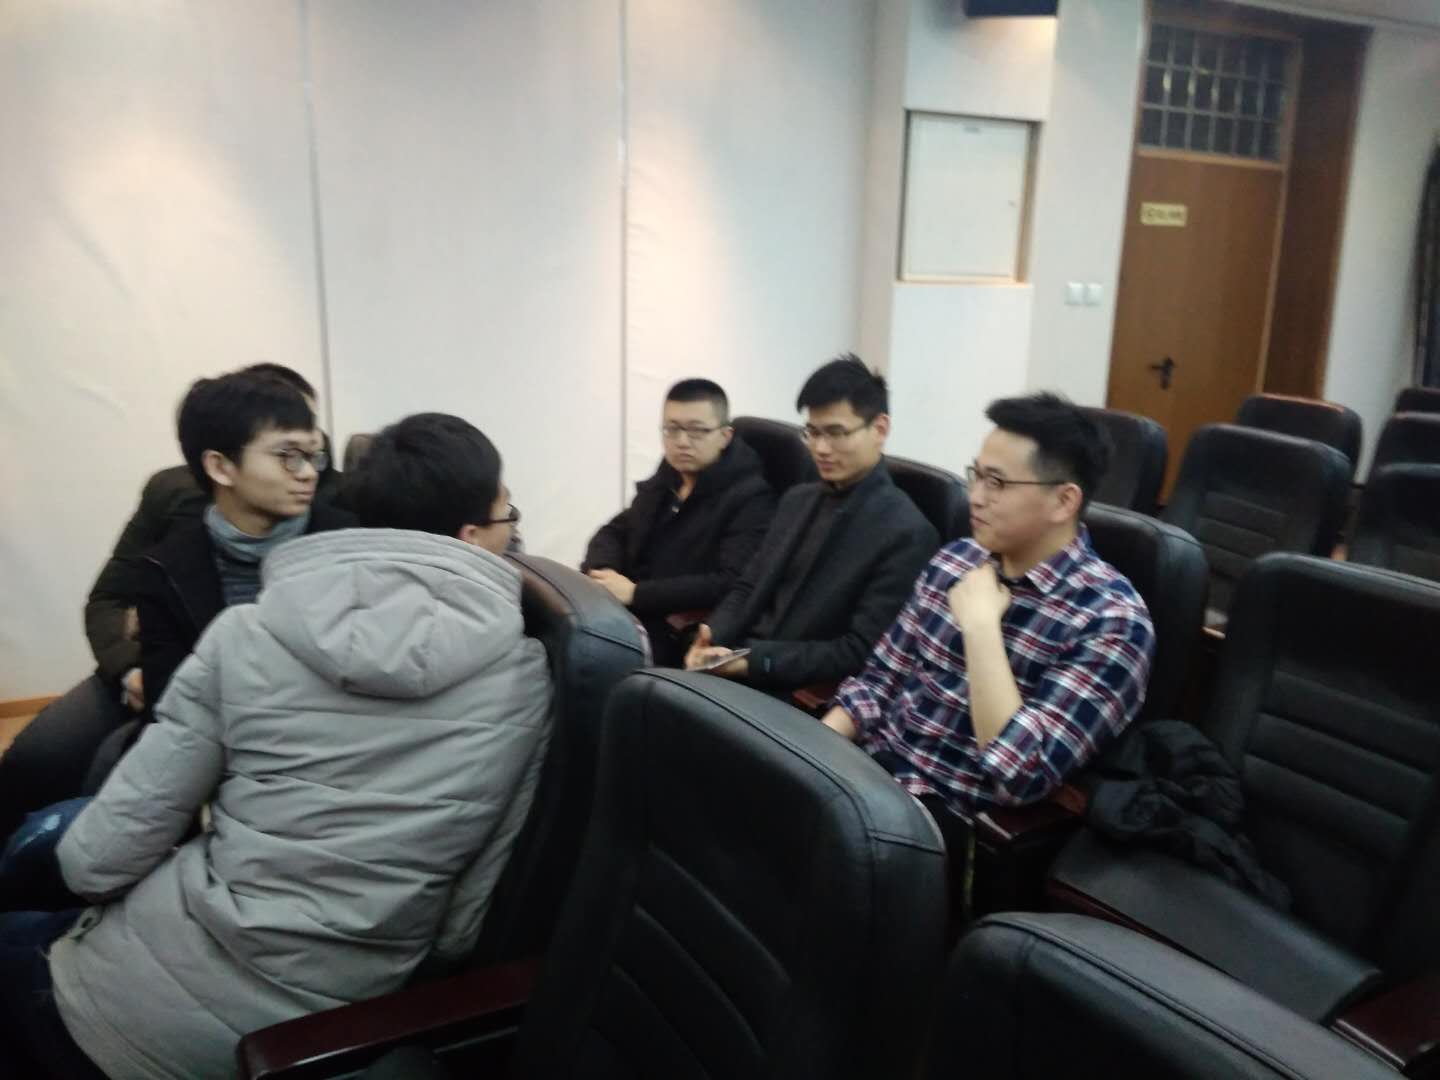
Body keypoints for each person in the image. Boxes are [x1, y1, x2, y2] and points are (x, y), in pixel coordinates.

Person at [0, 412, 553, 1079]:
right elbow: (462, 927)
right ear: (469, 536)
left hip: (122, 1006)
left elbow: (98, 862)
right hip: (334, 1026)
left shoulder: (247, 633)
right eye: (507, 516)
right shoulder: (529, 683)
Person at [0, 370, 352, 838]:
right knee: (49, 762)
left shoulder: (349, 534)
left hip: (308, 737)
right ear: (221, 467)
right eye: (288, 455)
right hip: (174, 696)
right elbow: (115, 607)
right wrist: (132, 672)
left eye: (312, 453)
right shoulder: (168, 551)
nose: (307, 472)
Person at [821, 392, 1155, 836]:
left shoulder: (1111, 621)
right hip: (865, 776)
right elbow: (877, 683)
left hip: (946, 820)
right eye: (976, 475)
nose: (974, 498)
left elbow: (1018, 774)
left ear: (1064, 501)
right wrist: (813, 756)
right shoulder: (956, 560)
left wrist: (981, 628)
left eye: (997, 483)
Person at [685, 355, 938, 695]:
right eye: (812, 433)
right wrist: (711, 636)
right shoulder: (798, 499)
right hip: (733, 667)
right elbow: (748, 586)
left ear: (880, 429)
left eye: (836, 433)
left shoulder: (907, 533)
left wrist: (751, 662)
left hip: (791, 692)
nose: (820, 448)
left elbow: (857, 651)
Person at [582, 378, 775, 664]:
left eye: (697, 431)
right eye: (672, 429)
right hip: (632, 612)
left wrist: (636, 593)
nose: (682, 442)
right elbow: (617, 529)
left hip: (678, 631)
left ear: (725, 436)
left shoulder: (751, 497)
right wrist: (604, 574)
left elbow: (729, 582)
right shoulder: (670, 474)